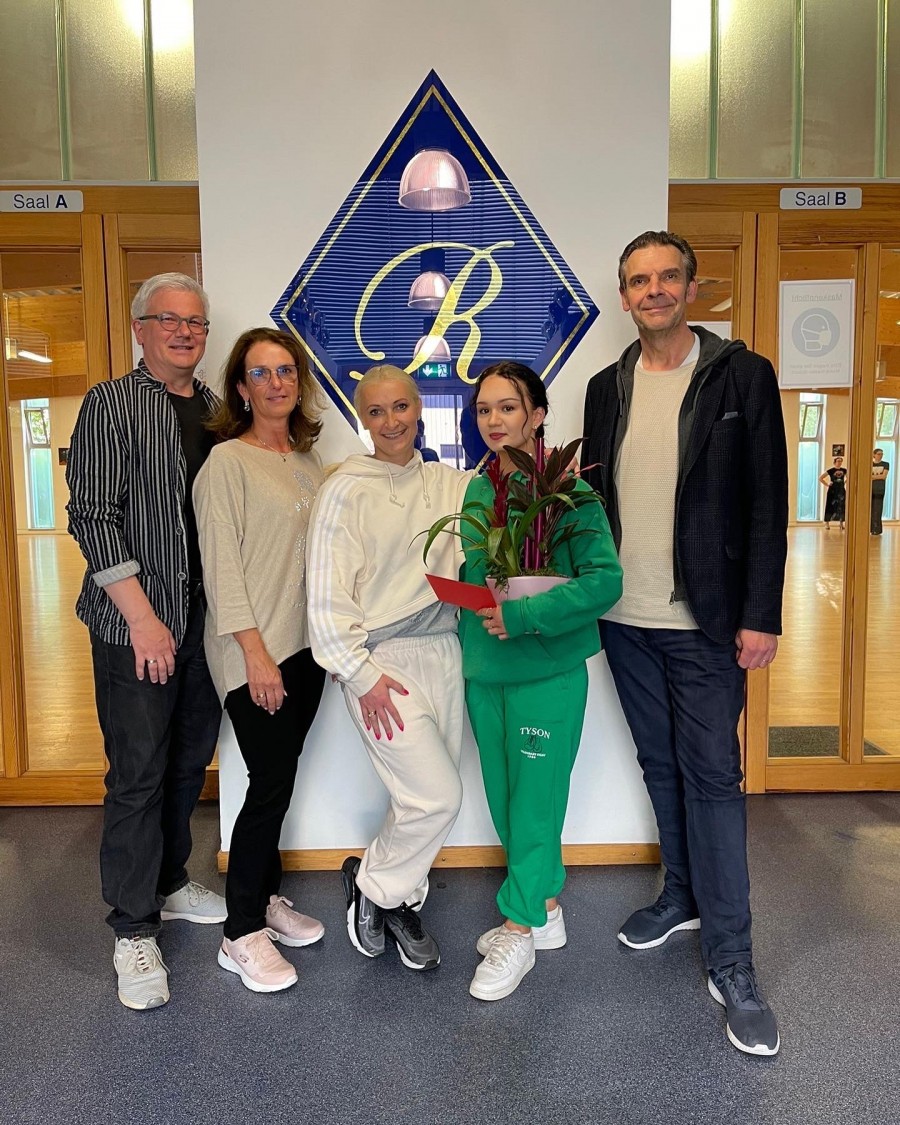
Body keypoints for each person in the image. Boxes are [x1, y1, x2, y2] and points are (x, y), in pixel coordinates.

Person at [582, 231, 788, 1057]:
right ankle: (683, 896)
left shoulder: (742, 374)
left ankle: (733, 961)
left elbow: (768, 501)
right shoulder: (605, 387)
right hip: (623, 617)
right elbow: (594, 498)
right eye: (639, 280)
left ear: (692, 289)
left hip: (707, 621)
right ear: (624, 296)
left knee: (713, 781)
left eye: (669, 276)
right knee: (660, 765)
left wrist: (761, 613)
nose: (655, 290)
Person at [66, 272, 225, 1011]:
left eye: (195, 321)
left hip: (203, 625)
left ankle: (168, 880)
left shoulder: (218, 412)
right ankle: (132, 927)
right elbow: (93, 516)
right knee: (137, 773)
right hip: (137, 627)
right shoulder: (111, 404)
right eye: (168, 319)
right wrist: (142, 617)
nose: (184, 331)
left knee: (188, 763)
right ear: (140, 329)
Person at [460, 361, 623, 1002]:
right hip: (486, 670)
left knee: (535, 803)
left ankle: (519, 925)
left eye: (507, 407)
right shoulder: (478, 490)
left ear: (537, 415)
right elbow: (477, 573)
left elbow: (604, 582)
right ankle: (545, 907)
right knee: (506, 801)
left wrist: (524, 615)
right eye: (484, 410)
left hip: (546, 674)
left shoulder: (571, 493)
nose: (494, 420)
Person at [306, 364, 471, 971]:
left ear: (418, 408)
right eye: (375, 411)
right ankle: (373, 888)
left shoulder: (451, 483)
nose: (391, 421)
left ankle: (397, 896)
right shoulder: (345, 490)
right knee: (437, 798)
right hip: (382, 663)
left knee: (417, 796)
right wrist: (360, 675)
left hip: (445, 650)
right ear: (362, 419)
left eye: (400, 407)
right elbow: (324, 596)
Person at [194, 328, 327, 994]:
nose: (276, 382)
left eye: (286, 370)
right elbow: (221, 569)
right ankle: (239, 930)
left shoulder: (309, 461)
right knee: (270, 781)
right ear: (241, 388)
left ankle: (265, 898)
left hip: (307, 648)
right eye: (260, 372)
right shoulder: (227, 463)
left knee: (280, 777)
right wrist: (255, 654)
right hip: (256, 651)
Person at [819, 455, 847, 530]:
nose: (839, 462)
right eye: (838, 461)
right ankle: (827, 523)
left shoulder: (844, 470)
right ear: (834, 462)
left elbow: (849, 477)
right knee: (829, 506)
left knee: (841, 506)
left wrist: (844, 482)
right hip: (832, 491)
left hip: (841, 490)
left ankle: (841, 523)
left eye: (841, 461)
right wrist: (827, 484)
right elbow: (820, 478)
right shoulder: (831, 470)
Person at [871, 448, 890, 535]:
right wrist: (877, 477)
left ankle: (877, 529)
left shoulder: (885, 464)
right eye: (879, 454)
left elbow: (883, 476)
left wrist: (872, 477)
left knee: (877, 509)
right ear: (874, 455)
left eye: (882, 454)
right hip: (870, 489)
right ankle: (870, 528)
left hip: (880, 489)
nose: (880, 455)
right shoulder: (870, 464)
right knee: (870, 509)